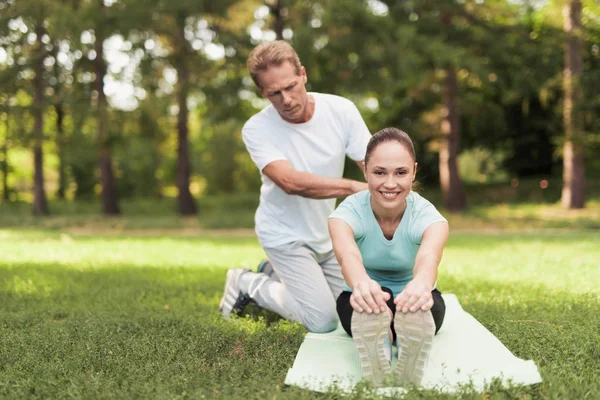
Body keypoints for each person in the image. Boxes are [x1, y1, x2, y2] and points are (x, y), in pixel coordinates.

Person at [218, 40, 372, 333]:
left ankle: (272, 271)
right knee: (323, 320)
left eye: (291, 86)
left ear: (303, 74)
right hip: (283, 234)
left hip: (325, 233)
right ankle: (247, 282)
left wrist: (390, 189)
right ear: (263, 93)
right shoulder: (256, 128)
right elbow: (289, 181)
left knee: (352, 309)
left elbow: (372, 163)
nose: (286, 99)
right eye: (274, 93)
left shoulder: (341, 110)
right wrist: (355, 187)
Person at [328, 127, 449, 387]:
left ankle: (397, 336)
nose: (390, 184)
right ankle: (382, 340)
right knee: (367, 307)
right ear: (365, 171)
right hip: (360, 298)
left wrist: (421, 286)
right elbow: (347, 256)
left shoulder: (430, 218)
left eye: (401, 172)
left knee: (426, 309)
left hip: (413, 295)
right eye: (380, 172)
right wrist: (362, 285)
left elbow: (428, 258)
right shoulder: (345, 215)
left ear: (414, 171)